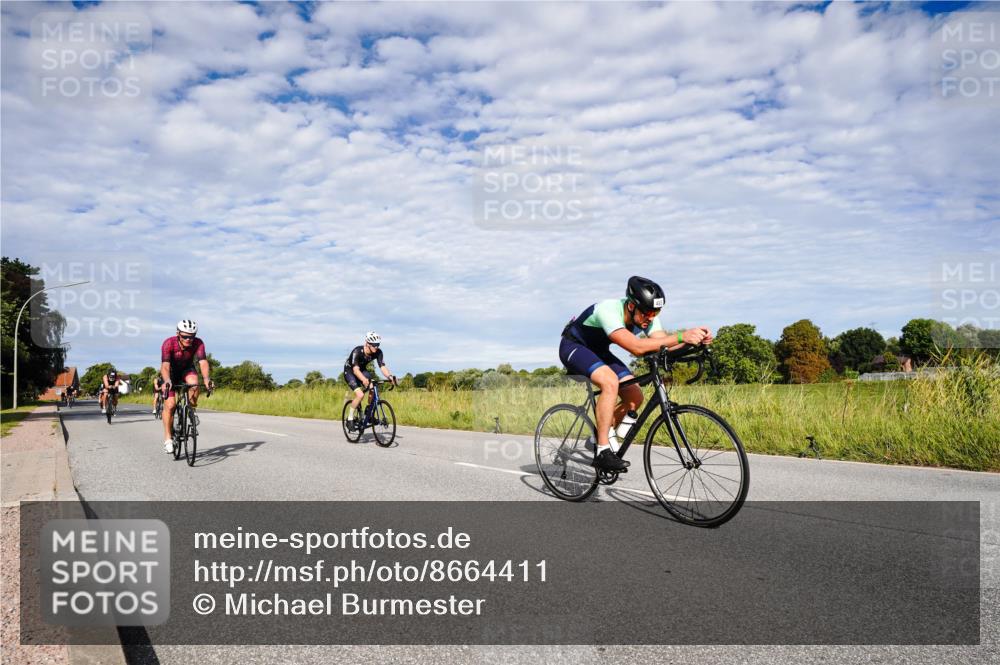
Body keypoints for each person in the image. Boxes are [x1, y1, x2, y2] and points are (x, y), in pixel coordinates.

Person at [560, 276, 713, 472]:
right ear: (631, 306)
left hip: (599, 351)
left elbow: (662, 345)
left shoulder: (647, 317)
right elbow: (637, 348)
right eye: (648, 312)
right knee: (610, 382)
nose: (651, 317)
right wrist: (682, 335)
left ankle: (597, 437)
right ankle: (602, 451)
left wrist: (694, 342)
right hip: (573, 347)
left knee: (635, 396)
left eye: (656, 312)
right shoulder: (609, 310)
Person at [159, 319, 213, 453]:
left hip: (187, 369)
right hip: (170, 372)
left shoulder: (198, 343)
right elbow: (165, 366)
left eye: (192, 336)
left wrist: (206, 378)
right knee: (170, 405)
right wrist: (166, 380)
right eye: (185, 336)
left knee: (195, 383)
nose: (189, 339)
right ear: (178, 333)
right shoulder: (169, 343)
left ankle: (190, 410)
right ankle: (168, 439)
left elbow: (203, 362)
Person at [343, 332, 396, 430]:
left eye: (378, 344)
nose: (377, 347)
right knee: (360, 395)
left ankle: (368, 411)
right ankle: (349, 418)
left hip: (362, 370)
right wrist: (363, 380)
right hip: (350, 371)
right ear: (367, 343)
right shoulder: (357, 351)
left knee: (373, 387)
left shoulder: (378, 352)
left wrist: (389, 376)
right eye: (375, 345)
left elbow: (382, 366)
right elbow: (355, 370)